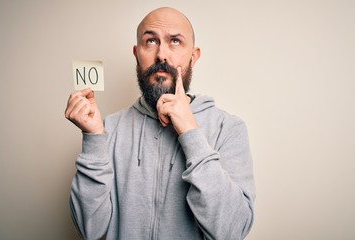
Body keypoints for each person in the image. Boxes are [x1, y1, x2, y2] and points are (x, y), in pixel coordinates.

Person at [65, 7, 255, 240]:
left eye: (175, 41)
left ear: (193, 56)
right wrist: (93, 138)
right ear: (136, 53)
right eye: (151, 41)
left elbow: (232, 231)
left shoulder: (229, 129)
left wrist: (190, 132)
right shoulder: (109, 129)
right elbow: (90, 230)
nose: (161, 55)